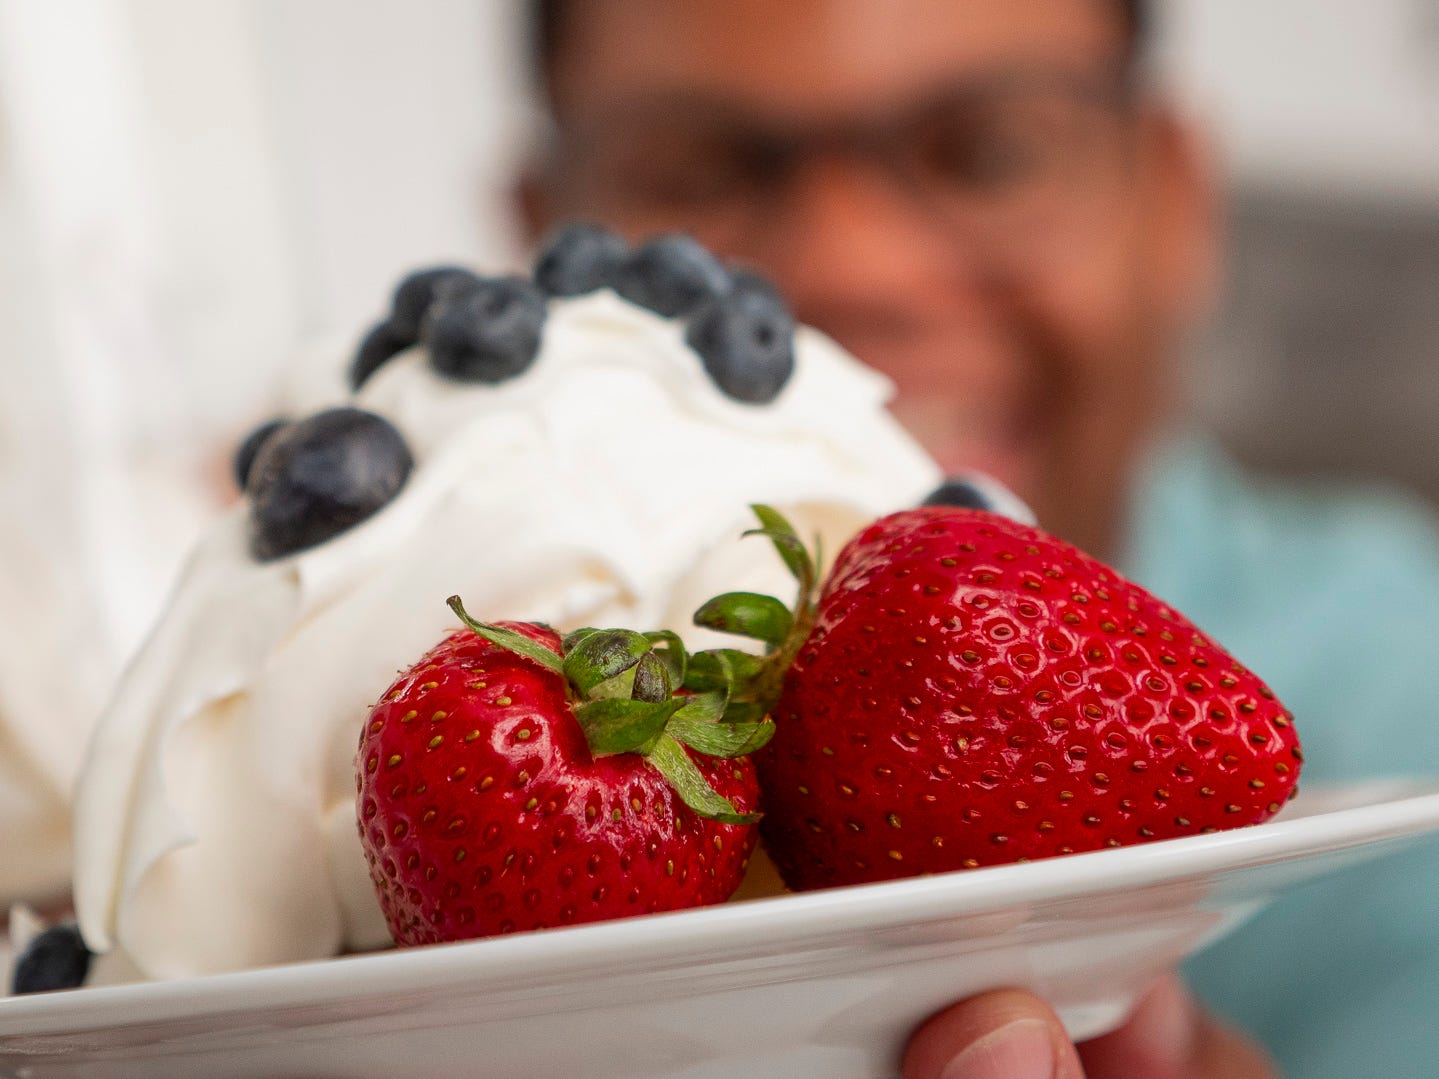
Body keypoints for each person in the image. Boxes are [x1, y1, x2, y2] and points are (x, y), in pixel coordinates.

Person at [514, 1, 1439, 1077]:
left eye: (989, 152)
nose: (851, 267)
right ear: (536, 242)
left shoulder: (1406, 677)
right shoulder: (478, 757)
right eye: (689, 171)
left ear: (1175, 196)